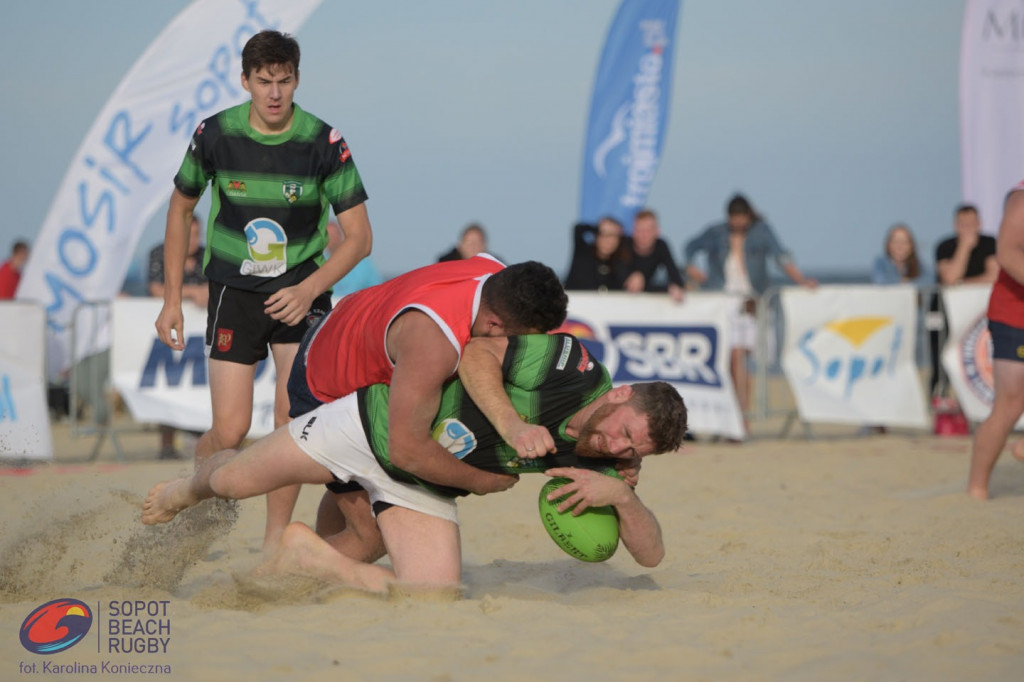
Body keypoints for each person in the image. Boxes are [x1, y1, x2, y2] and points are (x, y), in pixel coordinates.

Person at [142, 332, 688, 591]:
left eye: (634, 450)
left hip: (424, 484)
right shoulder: (572, 367)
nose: (619, 449)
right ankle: (187, 487)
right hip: (376, 424)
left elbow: (652, 555)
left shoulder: (611, 467)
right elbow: (476, 352)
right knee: (234, 481)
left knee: (432, 594)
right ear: (621, 395)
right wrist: (512, 426)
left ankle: (303, 557)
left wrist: (620, 494)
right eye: (624, 434)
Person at [154, 30, 373, 552]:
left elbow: (360, 238)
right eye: (263, 82)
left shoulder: (324, 142)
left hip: (304, 292)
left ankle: (274, 543)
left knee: (293, 421)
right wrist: (170, 299)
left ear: (297, 78)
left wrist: (310, 287)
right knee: (228, 433)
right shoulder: (215, 134)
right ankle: (195, 493)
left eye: (284, 81)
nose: (274, 94)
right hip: (234, 290)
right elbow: (180, 208)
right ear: (246, 81)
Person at [282, 256, 568, 559]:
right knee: (372, 536)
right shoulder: (433, 341)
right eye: (516, 341)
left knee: (351, 490)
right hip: (323, 382)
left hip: (348, 320)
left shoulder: (496, 273)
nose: (515, 349)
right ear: (494, 324)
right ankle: (278, 573)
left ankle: (322, 554)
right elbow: (405, 451)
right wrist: (481, 481)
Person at [683, 194, 816, 435]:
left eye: (742, 219)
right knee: (733, 359)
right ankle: (739, 418)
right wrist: (693, 272)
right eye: (734, 220)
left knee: (746, 361)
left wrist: (802, 280)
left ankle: (743, 416)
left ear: (748, 216)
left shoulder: (761, 231)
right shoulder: (716, 232)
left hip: (754, 302)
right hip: (723, 302)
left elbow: (781, 256)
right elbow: (690, 247)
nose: (738, 224)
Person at [967, 185, 1024, 500]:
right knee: (1010, 403)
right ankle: (976, 489)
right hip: (1016, 313)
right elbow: (1008, 252)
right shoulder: (1022, 199)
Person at [148, 213, 208, 459]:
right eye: (188, 234)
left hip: (201, 335)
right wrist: (193, 292)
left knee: (203, 387)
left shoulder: (208, 255)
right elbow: (155, 288)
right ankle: (166, 444)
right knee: (165, 385)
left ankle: (200, 439)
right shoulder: (159, 253)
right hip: (166, 333)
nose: (193, 240)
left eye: (196, 235)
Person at [929, 204, 999, 397]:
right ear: (955, 225)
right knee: (943, 356)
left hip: (979, 316)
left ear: (979, 223)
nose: (968, 228)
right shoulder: (945, 246)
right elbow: (949, 278)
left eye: (972, 223)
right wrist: (965, 247)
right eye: (963, 224)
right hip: (947, 313)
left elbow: (994, 275)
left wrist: (963, 283)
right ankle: (941, 396)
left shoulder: (990, 243)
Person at [623, 209, 685, 302]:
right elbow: (623, 284)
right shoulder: (623, 246)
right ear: (633, 232)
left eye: (648, 230)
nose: (644, 235)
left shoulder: (661, 246)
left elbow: (676, 279)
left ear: (658, 231)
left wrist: (672, 289)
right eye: (639, 230)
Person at [564, 217, 633, 291]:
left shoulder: (620, 264)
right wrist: (598, 228)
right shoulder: (583, 253)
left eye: (614, 236)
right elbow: (578, 229)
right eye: (604, 234)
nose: (608, 240)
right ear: (597, 236)